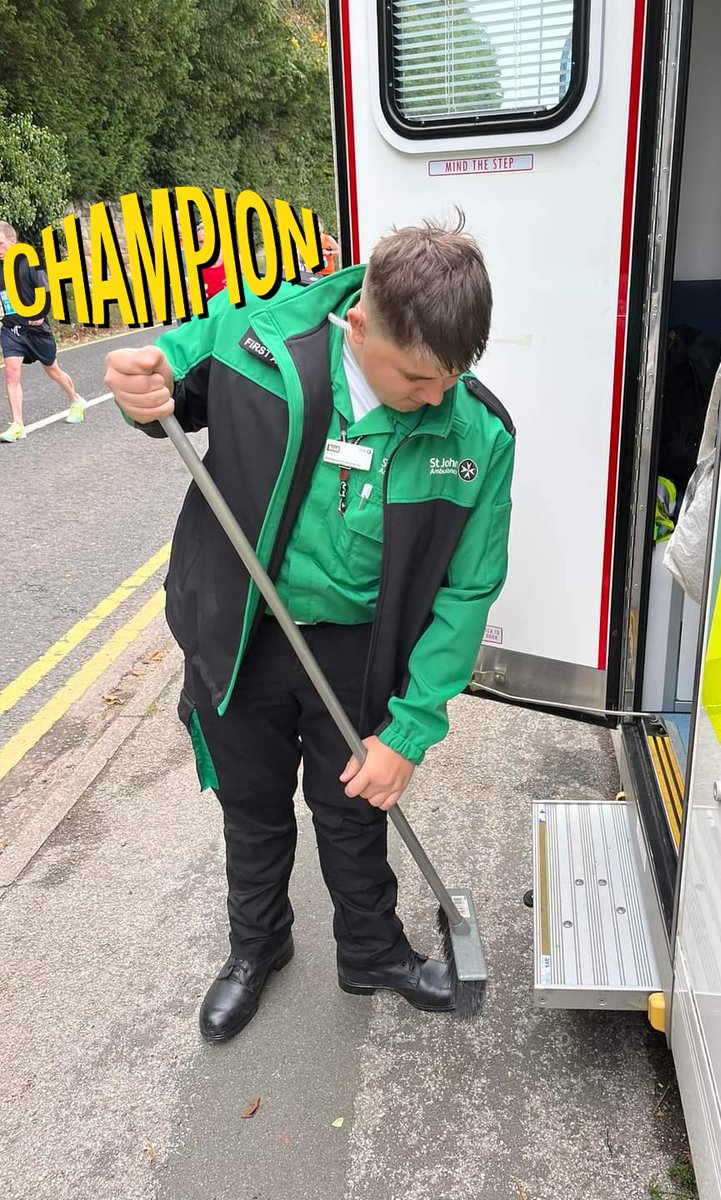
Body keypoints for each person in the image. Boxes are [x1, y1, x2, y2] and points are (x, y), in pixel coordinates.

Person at [104, 217, 514, 1041]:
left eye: (454, 376)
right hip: (243, 635)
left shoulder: (478, 435)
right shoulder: (263, 344)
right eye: (418, 377)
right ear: (358, 325)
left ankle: (372, 953)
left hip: (358, 652)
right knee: (252, 808)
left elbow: (469, 592)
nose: (439, 396)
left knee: (354, 807)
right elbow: (170, 385)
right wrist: (141, 386)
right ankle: (257, 949)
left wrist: (409, 730)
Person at [0, 221, 86, 442]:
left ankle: (75, 400)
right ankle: (18, 425)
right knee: (11, 372)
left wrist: (40, 312)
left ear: (12, 239)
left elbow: (45, 288)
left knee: (52, 370)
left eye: (0, 244)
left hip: (36, 330)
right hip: (11, 328)